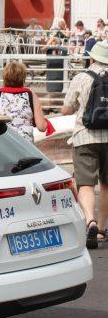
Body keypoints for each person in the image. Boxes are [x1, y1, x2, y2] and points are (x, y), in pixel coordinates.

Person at [62, 40, 108, 249]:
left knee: (86, 183)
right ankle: (100, 229)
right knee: (106, 184)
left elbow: (68, 109)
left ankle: (89, 220)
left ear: (92, 57)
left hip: (85, 137)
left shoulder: (82, 77)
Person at [0, 61, 47, 143]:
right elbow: (42, 127)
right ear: (23, 77)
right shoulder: (30, 95)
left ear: (5, 77)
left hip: (3, 142)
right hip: (24, 145)